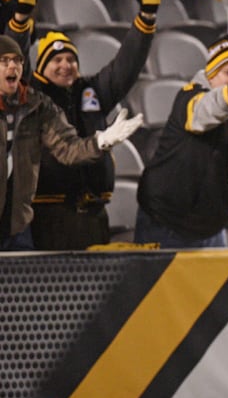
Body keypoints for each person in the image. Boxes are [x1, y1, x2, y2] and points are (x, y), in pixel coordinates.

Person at [29, 0, 162, 250]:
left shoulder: (90, 91)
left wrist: (146, 17)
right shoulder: (33, 97)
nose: (66, 65)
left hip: (92, 215)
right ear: (40, 69)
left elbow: (125, 67)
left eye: (70, 59)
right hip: (47, 217)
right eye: (56, 61)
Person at [0, 35, 142, 250]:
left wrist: (101, 140)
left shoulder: (39, 105)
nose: (13, 67)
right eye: (4, 62)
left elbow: (67, 148)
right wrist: (21, 17)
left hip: (19, 226)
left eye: (17, 61)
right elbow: (15, 38)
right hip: (43, 219)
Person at [134, 35, 228, 248]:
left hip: (211, 225)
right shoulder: (189, 96)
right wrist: (226, 99)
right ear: (211, 76)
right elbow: (203, 114)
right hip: (166, 221)